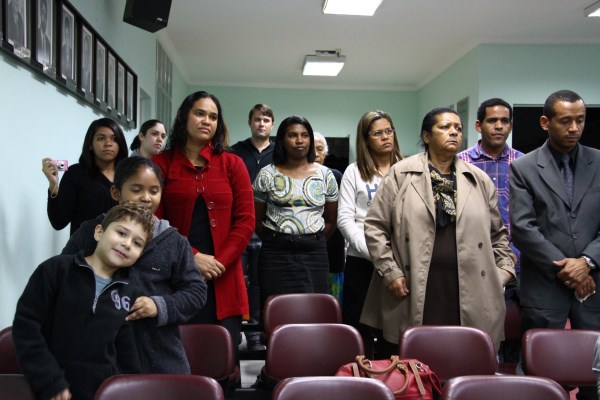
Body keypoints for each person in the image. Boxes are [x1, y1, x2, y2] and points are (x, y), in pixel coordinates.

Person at [361, 107, 515, 356]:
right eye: (444, 127)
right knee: (415, 362)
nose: (454, 132)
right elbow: (375, 226)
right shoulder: (401, 174)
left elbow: (498, 234)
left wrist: (503, 271)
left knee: (462, 358)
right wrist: (390, 271)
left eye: (458, 128)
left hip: (470, 286)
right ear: (426, 136)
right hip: (414, 285)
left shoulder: (478, 179)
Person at [62, 156, 207, 374]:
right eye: (136, 189)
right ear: (116, 193)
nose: (146, 198)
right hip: (99, 354)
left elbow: (196, 292)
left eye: (154, 191)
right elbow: (64, 275)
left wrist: (159, 305)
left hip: (159, 356)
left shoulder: (174, 242)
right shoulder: (91, 232)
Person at [509, 90, 600, 400]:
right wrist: (569, 268)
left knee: (595, 379)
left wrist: (586, 262)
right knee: (540, 378)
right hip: (545, 286)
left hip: (594, 285)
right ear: (546, 123)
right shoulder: (524, 167)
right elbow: (523, 228)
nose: (574, 128)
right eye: (565, 121)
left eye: (580, 121)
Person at [13, 202, 155, 400]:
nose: (127, 244)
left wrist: (129, 391)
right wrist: (49, 381)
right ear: (99, 232)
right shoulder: (55, 270)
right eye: (121, 233)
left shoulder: (130, 294)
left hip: (102, 394)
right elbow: (26, 328)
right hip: (50, 390)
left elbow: (128, 356)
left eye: (137, 243)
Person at [153, 91, 254, 364]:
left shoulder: (233, 163)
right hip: (176, 275)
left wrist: (218, 263)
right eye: (199, 113)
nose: (206, 121)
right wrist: (193, 258)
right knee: (179, 363)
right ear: (183, 116)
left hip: (224, 276)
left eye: (213, 116)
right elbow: (155, 222)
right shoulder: (159, 164)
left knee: (221, 363)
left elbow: (246, 221)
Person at [458, 98, 524, 364]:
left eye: (504, 121)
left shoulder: (525, 164)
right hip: (475, 263)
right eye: (492, 121)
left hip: (520, 264)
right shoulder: (459, 163)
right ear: (478, 125)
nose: (498, 126)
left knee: (518, 335)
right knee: (478, 334)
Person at [253, 115, 339, 308]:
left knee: (314, 309)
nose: (299, 140)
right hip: (276, 253)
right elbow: (256, 219)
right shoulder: (267, 174)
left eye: (304, 135)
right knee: (275, 308)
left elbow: (332, 220)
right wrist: (278, 238)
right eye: (292, 135)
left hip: (314, 253)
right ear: (282, 139)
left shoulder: (326, 175)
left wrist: (310, 239)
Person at [337, 110, 402, 357]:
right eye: (377, 133)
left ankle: (393, 382)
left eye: (389, 131)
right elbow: (345, 219)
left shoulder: (408, 168)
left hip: (400, 264)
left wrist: (392, 259)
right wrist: (376, 254)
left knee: (393, 332)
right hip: (362, 262)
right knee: (360, 330)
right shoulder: (354, 171)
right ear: (366, 139)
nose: (386, 137)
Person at [231, 103, 276, 352]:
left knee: (262, 283)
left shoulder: (280, 153)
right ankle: (236, 330)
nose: (261, 123)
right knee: (238, 280)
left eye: (266, 120)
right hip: (239, 227)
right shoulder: (235, 152)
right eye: (257, 119)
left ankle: (258, 334)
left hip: (269, 229)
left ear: (272, 124)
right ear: (250, 122)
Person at [42, 117, 128, 235]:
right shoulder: (75, 173)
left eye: (114, 139)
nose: (108, 143)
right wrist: (53, 186)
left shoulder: (128, 176)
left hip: (122, 249)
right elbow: (58, 222)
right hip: (83, 250)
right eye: (101, 138)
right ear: (90, 144)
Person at [313, 131, 346, 303]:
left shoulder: (336, 176)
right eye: (312, 149)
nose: (316, 154)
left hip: (333, 245)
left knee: (332, 302)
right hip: (308, 248)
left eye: (320, 149)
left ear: (325, 153)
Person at [37, 0, 51, 65]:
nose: (44, 17)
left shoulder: (48, 43)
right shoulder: (35, 36)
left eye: (46, 14)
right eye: (43, 12)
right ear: (40, 13)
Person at [61, 13, 73, 80]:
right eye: (65, 35)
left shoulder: (72, 53)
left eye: (68, 35)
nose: (67, 38)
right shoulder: (61, 50)